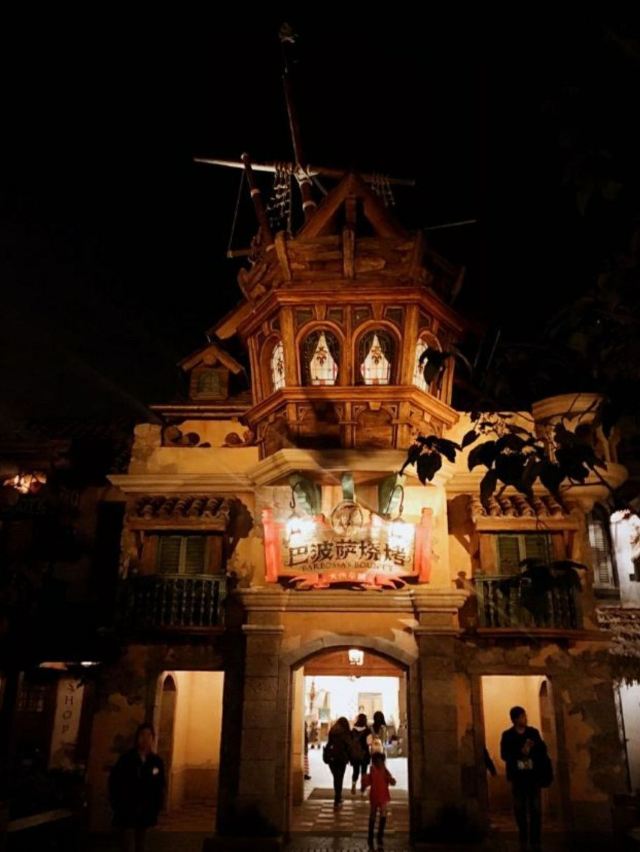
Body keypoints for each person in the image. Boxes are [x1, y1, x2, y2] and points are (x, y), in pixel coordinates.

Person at [109, 723, 165, 852]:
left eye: (149, 735)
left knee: (141, 843)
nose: (145, 739)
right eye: (142, 735)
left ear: (153, 738)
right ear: (137, 737)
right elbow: (115, 781)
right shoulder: (126, 759)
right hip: (127, 807)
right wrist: (118, 801)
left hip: (146, 808)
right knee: (127, 843)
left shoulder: (156, 761)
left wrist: (157, 804)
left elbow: (160, 784)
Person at [500, 706, 547, 852]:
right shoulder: (508, 735)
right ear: (515, 719)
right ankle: (523, 837)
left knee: (535, 809)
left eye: (525, 716)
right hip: (518, 778)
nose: (525, 719)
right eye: (522, 716)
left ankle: (535, 840)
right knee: (519, 809)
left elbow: (542, 750)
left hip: (533, 777)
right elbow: (504, 754)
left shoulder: (533, 733)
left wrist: (533, 748)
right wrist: (521, 751)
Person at [363, 751, 396, 848]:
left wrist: (391, 780)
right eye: (376, 761)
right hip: (376, 796)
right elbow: (368, 780)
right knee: (375, 814)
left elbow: (390, 780)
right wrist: (364, 784)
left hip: (381, 796)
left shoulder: (384, 771)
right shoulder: (374, 770)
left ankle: (378, 836)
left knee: (382, 814)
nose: (379, 763)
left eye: (380, 761)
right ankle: (373, 836)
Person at [325, 717, 355, 808]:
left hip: (332, 757)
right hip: (341, 758)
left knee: (336, 777)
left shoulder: (332, 731)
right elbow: (348, 745)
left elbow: (329, 743)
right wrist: (351, 758)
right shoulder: (345, 732)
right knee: (339, 778)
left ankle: (338, 797)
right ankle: (337, 798)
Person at [350, 712, 372, 795]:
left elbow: (350, 742)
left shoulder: (353, 730)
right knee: (364, 772)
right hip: (364, 754)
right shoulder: (367, 731)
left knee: (355, 771)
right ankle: (363, 789)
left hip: (355, 754)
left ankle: (353, 785)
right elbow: (369, 743)